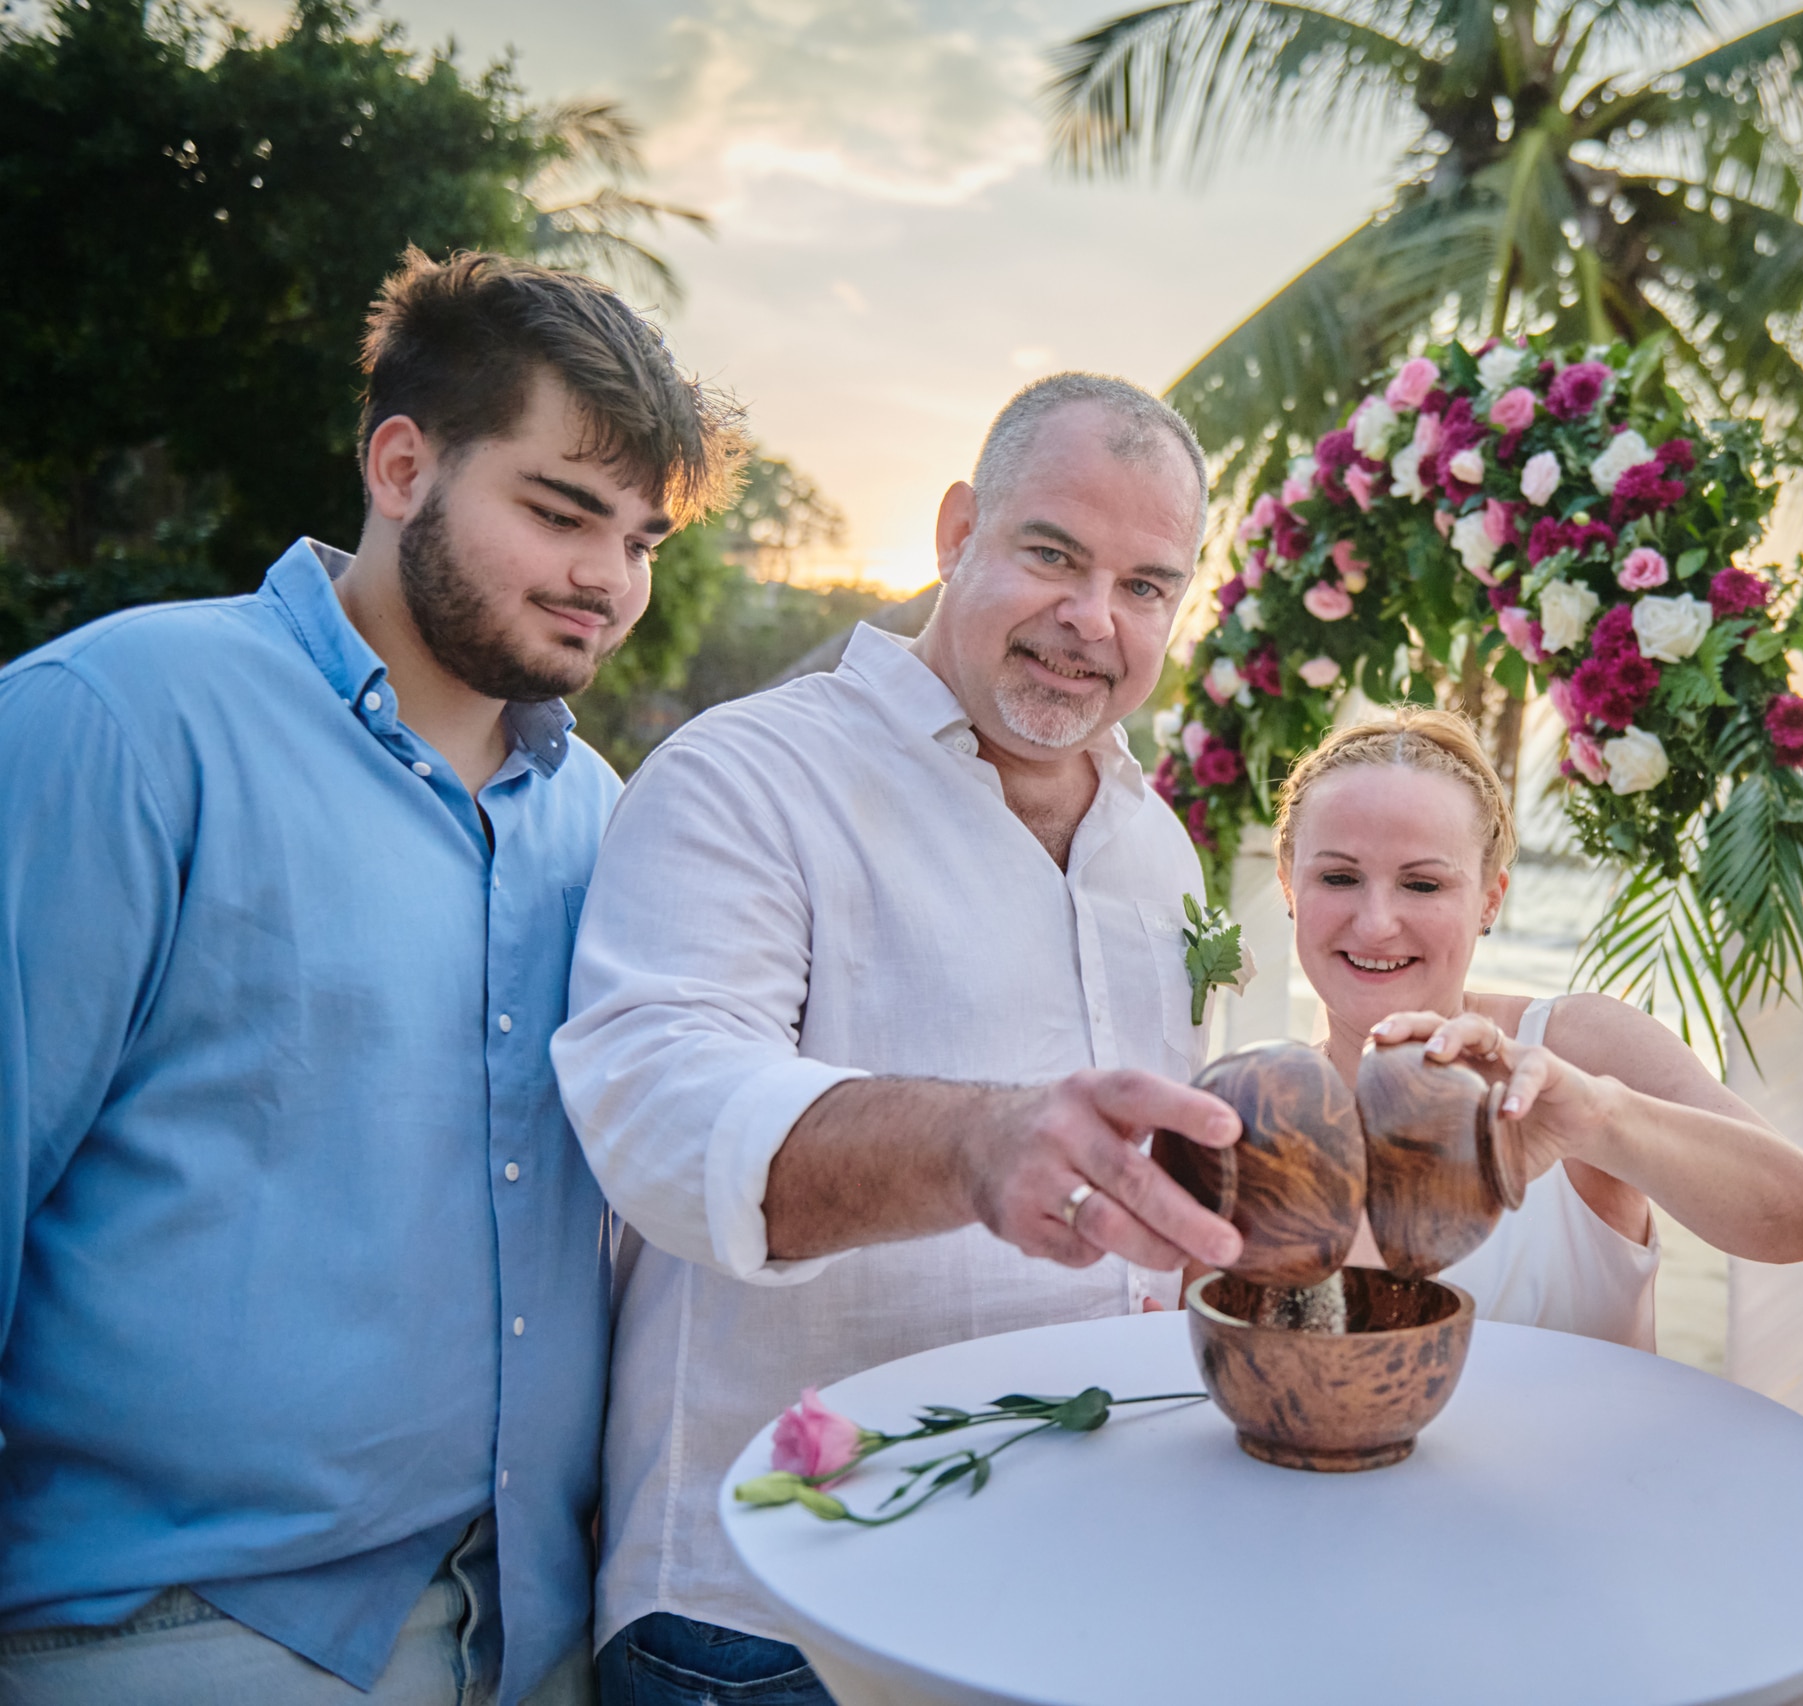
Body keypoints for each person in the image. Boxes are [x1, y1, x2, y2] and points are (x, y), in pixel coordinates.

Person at [0, 250, 747, 1706]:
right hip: (165, 1629)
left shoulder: (605, 816)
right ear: (403, 463)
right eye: (560, 511)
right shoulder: (121, 724)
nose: (610, 579)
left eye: (644, 539)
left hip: (529, 1624)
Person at [550, 372, 1247, 1706]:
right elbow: (662, 1106)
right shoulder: (745, 774)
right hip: (775, 1623)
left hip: (1075, 1602)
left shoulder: (1159, 847)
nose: (1090, 620)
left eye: (1146, 585)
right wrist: (981, 1142)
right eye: (1053, 552)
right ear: (952, 531)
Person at [1271, 707, 1803, 1348]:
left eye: (1423, 884)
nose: (1376, 922)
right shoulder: (1261, 1112)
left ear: (1490, 898)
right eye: (1339, 877)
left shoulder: (1572, 1045)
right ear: (1289, 883)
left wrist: (1599, 1119)